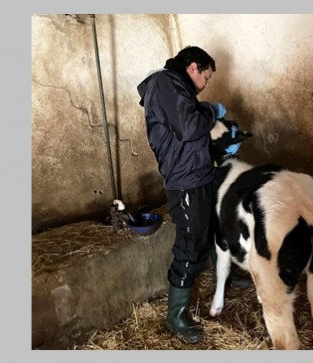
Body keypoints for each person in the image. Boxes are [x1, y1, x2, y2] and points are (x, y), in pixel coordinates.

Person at [136, 46, 229, 344]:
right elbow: (189, 128)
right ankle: (175, 315)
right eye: (207, 76)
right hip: (184, 182)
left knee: (213, 225)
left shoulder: (178, 90)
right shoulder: (165, 83)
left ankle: (224, 274)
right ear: (193, 67)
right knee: (191, 242)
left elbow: (187, 135)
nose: (206, 84)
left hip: (199, 174)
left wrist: (218, 149)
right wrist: (211, 111)